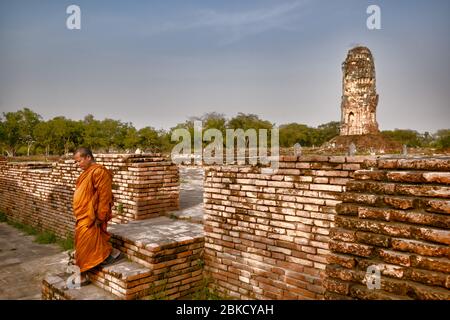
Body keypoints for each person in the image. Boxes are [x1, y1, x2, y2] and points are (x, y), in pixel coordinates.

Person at [72, 147, 120, 285]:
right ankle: (111, 253)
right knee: (87, 242)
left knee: (83, 245)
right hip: (84, 214)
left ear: (88, 157)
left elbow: (104, 196)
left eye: (79, 161)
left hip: (92, 216)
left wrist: (100, 216)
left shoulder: (99, 172)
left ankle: (82, 275)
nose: (78, 164)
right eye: (76, 162)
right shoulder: (85, 173)